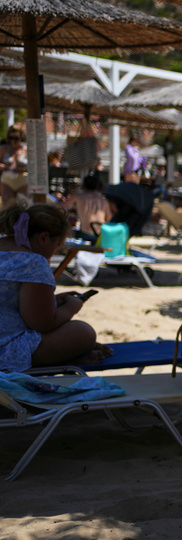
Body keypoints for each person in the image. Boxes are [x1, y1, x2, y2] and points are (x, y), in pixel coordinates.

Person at [0, 201, 110, 372]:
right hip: (5, 351)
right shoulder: (33, 262)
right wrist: (72, 307)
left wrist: (50, 301)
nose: (56, 251)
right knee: (83, 332)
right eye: (58, 245)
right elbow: (42, 324)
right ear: (43, 238)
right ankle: (65, 360)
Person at [61, 174, 111, 242]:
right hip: (100, 235)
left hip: (85, 234)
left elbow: (62, 206)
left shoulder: (78, 196)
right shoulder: (103, 200)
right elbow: (108, 219)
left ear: (83, 185)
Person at [0, 126, 28, 205]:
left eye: (16, 138)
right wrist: (4, 167)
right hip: (7, 181)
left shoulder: (26, 150)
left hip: (22, 181)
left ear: (21, 138)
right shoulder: (3, 149)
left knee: (22, 205)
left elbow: (32, 167)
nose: (13, 141)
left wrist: (23, 169)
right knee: (7, 206)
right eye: (11, 138)